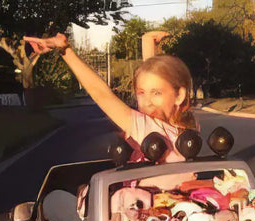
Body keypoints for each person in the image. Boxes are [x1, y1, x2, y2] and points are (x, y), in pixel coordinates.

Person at [24, 35, 198, 166]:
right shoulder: (170, 128)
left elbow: (103, 93)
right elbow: (103, 94)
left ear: (179, 96)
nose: (148, 102)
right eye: (141, 93)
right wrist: (66, 51)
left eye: (156, 93)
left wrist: (66, 51)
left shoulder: (161, 128)